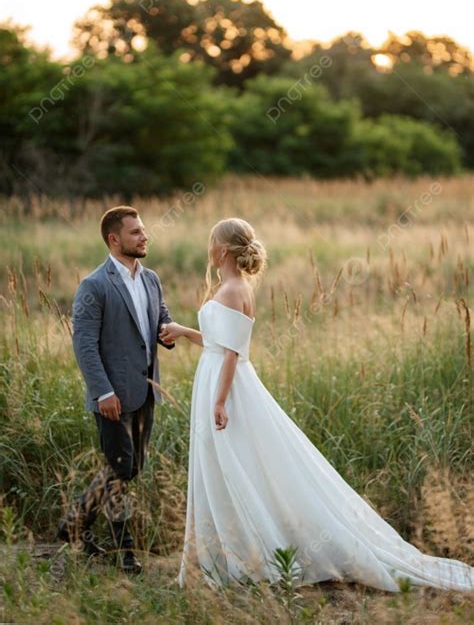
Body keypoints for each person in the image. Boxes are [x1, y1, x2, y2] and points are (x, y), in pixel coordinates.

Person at [159, 217, 474, 593]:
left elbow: (230, 354)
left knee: (233, 463)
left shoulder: (229, 290)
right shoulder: (237, 286)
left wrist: (220, 401)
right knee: (239, 463)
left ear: (222, 250)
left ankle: (248, 553)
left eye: (212, 243)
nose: (208, 250)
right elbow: (218, 341)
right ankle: (240, 548)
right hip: (226, 380)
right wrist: (182, 330)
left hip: (227, 387)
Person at [57, 206, 174, 573]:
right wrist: (102, 391)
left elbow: (161, 318)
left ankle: (74, 524)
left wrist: (168, 331)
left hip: (146, 391)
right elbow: (85, 346)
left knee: (130, 467)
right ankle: (125, 553)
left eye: (143, 231)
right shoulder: (94, 285)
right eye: (136, 232)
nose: (145, 236)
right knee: (119, 469)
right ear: (114, 239)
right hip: (112, 396)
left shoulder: (151, 278)